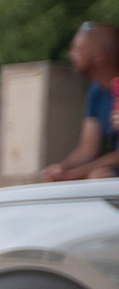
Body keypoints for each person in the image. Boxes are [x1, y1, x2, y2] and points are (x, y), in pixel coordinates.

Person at [39, 22, 119, 181]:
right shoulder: (97, 91)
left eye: (77, 49)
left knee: (98, 176)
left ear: (99, 56)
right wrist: (61, 169)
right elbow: (88, 148)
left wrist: (71, 175)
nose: (71, 56)